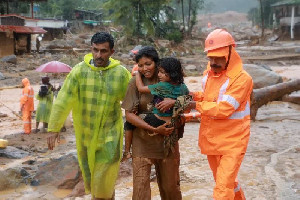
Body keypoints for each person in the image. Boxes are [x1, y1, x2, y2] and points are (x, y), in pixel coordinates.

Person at [46, 32, 131, 200]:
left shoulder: (120, 74)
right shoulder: (79, 72)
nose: (99, 55)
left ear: (112, 52)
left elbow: (132, 102)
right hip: (86, 135)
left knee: (103, 178)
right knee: (95, 180)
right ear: (91, 49)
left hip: (110, 135)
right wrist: (54, 128)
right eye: (95, 50)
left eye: (103, 51)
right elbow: (63, 99)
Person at [187, 29, 253, 200]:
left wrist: (195, 105)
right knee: (227, 183)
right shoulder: (209, 74)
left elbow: (224, 108)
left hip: (233, 142)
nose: (213, 62)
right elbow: (209, 97)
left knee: (222, 190)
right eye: (211, 57)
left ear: (230, 53)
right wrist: (193, 95)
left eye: (218, 58)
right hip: (212, 139)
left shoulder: (242, 79)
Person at [122, 46, 182, 200]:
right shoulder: (135, 82)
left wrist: (173, 101)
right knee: (140, 192)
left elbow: (188, 102)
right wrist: (154, 128)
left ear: (156, 62)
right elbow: (128, 115)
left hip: (167, 143)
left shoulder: (172, 80)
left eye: (148, 64)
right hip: (142, 143)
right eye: (140, 65)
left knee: (171, 190)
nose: (144, 69)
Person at [122, 57, 189, 162]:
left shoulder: (162, 86)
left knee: (130, 122)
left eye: (162, 73)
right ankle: (178, 135)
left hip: (156, 119)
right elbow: (188, 100)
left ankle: (127, 152)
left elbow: (140, 88)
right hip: (172, 122)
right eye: (159, 72)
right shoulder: (183, 87)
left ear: (171, 74)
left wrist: (137, 75)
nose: (159, 75)